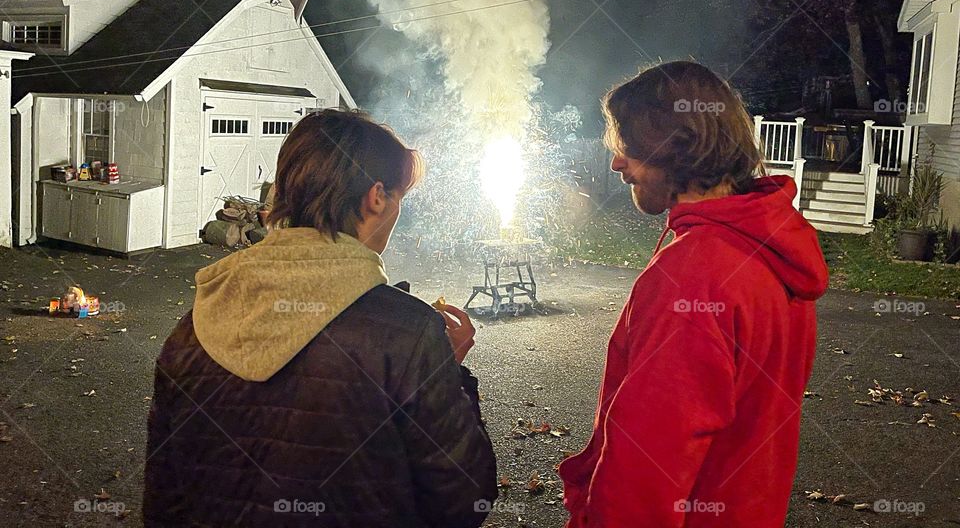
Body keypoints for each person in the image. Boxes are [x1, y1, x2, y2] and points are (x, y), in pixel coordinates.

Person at [143, 109, 497, 527]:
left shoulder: (197, 320)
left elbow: (163, 497)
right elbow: (462, 500)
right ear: (376, 197)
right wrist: (447, 373)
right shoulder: (410, 332)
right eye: (399, 197)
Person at [559, 61, 828, 527]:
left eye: (630, 147)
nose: (617, 162)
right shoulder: (773, 251)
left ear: (676, 147)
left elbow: (644, 473)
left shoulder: (694, 273)